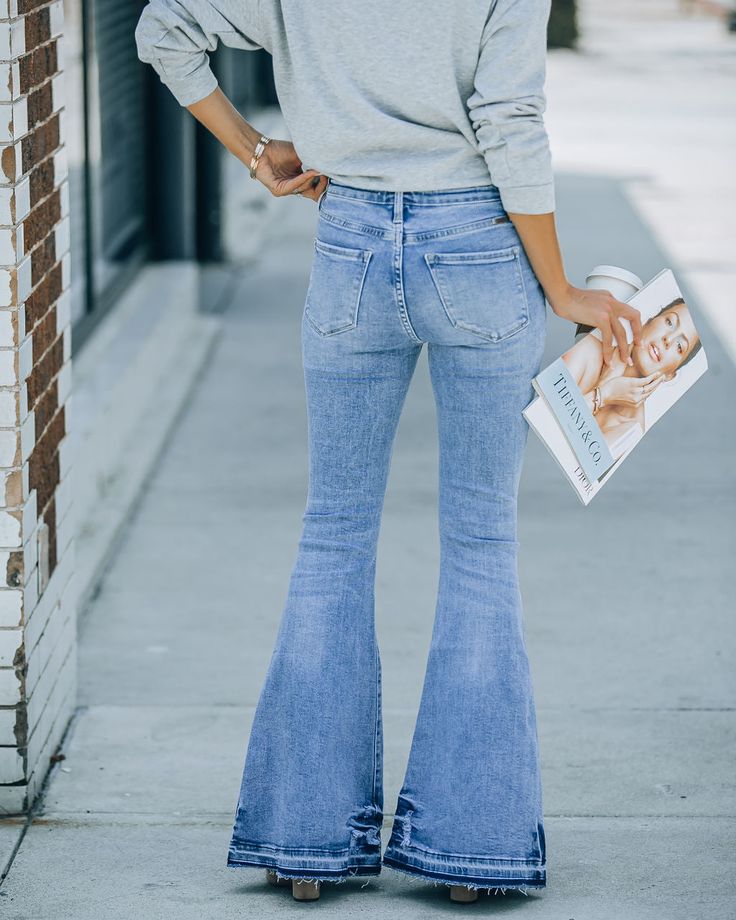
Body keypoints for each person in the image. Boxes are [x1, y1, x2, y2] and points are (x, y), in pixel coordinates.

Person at [134, 0, 644, 903]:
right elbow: (508, 120)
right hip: (480, 249)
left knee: (332, 537)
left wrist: (257, 152)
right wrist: (560, 286)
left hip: (351, 245)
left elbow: (163, 28)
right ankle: (471, 856)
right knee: (483, 546)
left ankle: (304, 846)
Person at [562, 297, 701, 456]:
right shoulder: (589, 351)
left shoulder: (632, 428)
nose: (668, 339)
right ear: (648, 322)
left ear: (670, 375)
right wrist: (604, 392)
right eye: (669, 322)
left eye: (679, 346)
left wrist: (605, 395)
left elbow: (578, 464)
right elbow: (543, 419)